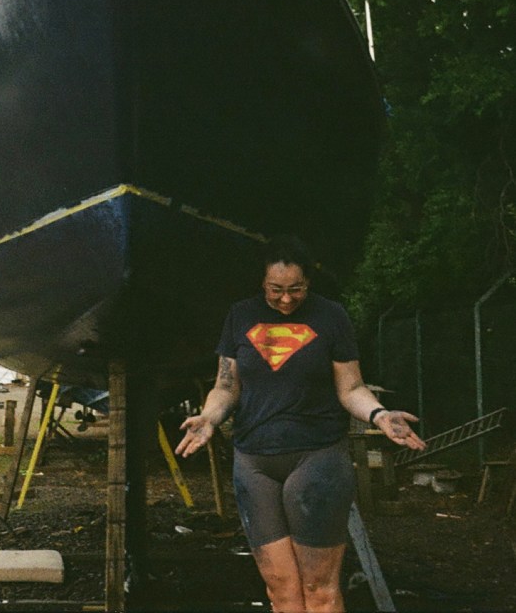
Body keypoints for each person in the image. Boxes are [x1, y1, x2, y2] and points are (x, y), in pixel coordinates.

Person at [175, 235, 426, 613]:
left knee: (319, 590)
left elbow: (351, 387)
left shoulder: (331, 317)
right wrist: (210, 417)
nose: (287, 299)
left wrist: (379, 414)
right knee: (281, 590)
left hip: (317, 459)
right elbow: (226, 385)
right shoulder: (240, 315)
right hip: (254, 462)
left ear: (309, 281)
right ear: (262, 282)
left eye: (296, 289)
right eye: (276, 290)